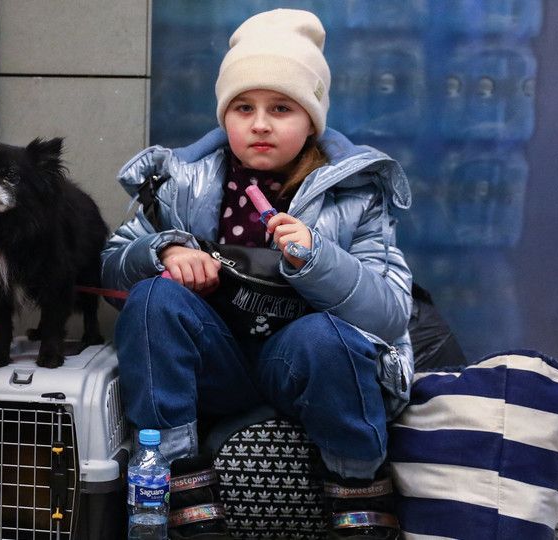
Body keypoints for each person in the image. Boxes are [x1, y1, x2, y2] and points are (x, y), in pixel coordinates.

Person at [101, 9, 412, 540]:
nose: (260, 124)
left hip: (303, 369)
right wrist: (165, 249)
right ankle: (181, 484)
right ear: (225, 115)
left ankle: (358, 486)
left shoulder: (356, 193)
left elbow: (389, 315)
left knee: (328, 336)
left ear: (312, 119)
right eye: (243, 107)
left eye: (281, 108)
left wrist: (318, 259)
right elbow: (112, 267)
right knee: (153, 299)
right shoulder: (182, 182)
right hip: (215, 364)